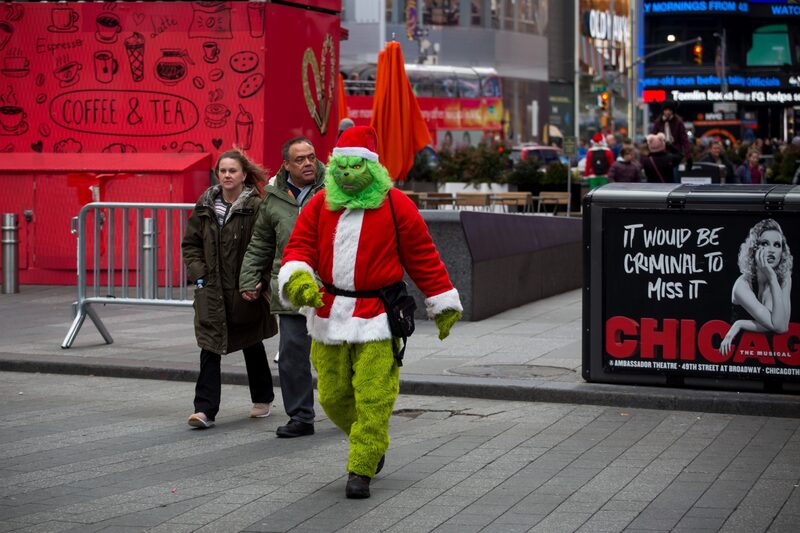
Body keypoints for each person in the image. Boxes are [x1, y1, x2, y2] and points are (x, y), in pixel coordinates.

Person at [278, 126, 462, 499]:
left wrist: (442, 302)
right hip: (329, 314)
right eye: (340, 166)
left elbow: (423, 257)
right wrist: (297, 280)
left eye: (355, 165)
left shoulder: (396, 204)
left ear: (373, 168)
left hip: (379, 316)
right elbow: (298, 247)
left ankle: (361, 466)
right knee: (331, 396)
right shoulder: (320, 203)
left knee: (373, 395)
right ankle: (370, 441)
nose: (346, 173)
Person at [182, 148, 277, 429]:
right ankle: (204, 410)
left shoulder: (256, 206)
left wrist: (258, 280)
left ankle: (263, 398)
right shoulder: (205, 205)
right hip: (211, 290)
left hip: (244, 289)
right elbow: (191, 244)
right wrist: (199, 275)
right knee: (209, 346)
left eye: (232, 170)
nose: (227, 175)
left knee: (251, 342)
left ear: (244, 175)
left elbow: (267, 247)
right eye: (222, 170)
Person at [239, 137, 325, 438]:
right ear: (286, 165)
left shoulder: (333, 190)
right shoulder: (273, 197)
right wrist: (249, 279)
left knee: (340, 354)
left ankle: (350, 409)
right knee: (291, 354)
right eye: (300, 159)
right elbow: (261, 242)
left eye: (311, 157)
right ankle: (301, 417)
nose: (308, 164)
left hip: (331, 286)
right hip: (289, 285)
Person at [720, 218, 793, 356]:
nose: (772, 250)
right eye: (765, 244)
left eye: (777, 245)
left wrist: (740, 324)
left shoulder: (784, 278)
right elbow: (777, 325)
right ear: (754, 249)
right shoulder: (742, 285)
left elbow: (781, 326)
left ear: (782, 251)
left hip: (767, 354)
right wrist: (772, 278)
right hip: (736, 352)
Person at [651, 99, 691, 171]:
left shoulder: (678, 122)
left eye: (670, 110)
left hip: (675, 153)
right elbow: (653, 138)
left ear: (673, 111)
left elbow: (684, 140)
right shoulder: (658, 122)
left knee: (675, 175)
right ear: (663, 110)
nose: (668, 112)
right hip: (661, 154)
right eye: (666, 110)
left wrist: (688, 156)